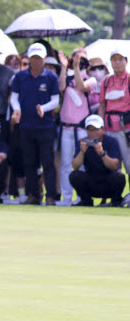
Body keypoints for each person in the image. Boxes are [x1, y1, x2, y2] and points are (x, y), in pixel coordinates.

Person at [10, 42, 60, 205]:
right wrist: (17, 109)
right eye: (33, 58)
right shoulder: (20, 77)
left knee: (47, 162)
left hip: (45, 126)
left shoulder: (51, 77)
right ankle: (33, 195)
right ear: (29, 59)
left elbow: (55, 100)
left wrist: (43, 108)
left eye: (39, 58)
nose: (36, 61)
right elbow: (14, 97)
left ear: (45, 59)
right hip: (26, 126)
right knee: (29, 162)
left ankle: (51, 195)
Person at [56, 49, 96, 205]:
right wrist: (65, 67)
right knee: (66, 164)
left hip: (81, 129)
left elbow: (81, 87)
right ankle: (67, 198)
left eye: (83, 60)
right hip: (66, 129)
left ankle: (81, 197)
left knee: (81, 164)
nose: (79, 62)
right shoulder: (67, 77)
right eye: (77, 59)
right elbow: (60, 88)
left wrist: (78, 68)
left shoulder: (90, 79)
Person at [70, 114, 126, 206]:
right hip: (92, 181)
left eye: (96, 129)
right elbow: (75, 166)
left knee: (119, 177)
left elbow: (115, 166)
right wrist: (82, 152)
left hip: (108, 180)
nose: (93, 133)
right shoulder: (82, 142)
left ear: (103, 129)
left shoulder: (111, 141)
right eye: (90, 130)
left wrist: (102, 154)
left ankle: (115, 201)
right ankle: (86, 201)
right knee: (74, 176)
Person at [98, 50, 130, 185]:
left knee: (129, 164)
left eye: (120, 59)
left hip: (126, 129)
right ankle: (115, 197)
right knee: (112, 164)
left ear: (126, 61)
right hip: (109, 129)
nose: (117, 62)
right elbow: (102, 106)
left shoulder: (129, 80)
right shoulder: (106, 81)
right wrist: (101, 127)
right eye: (114, 59)